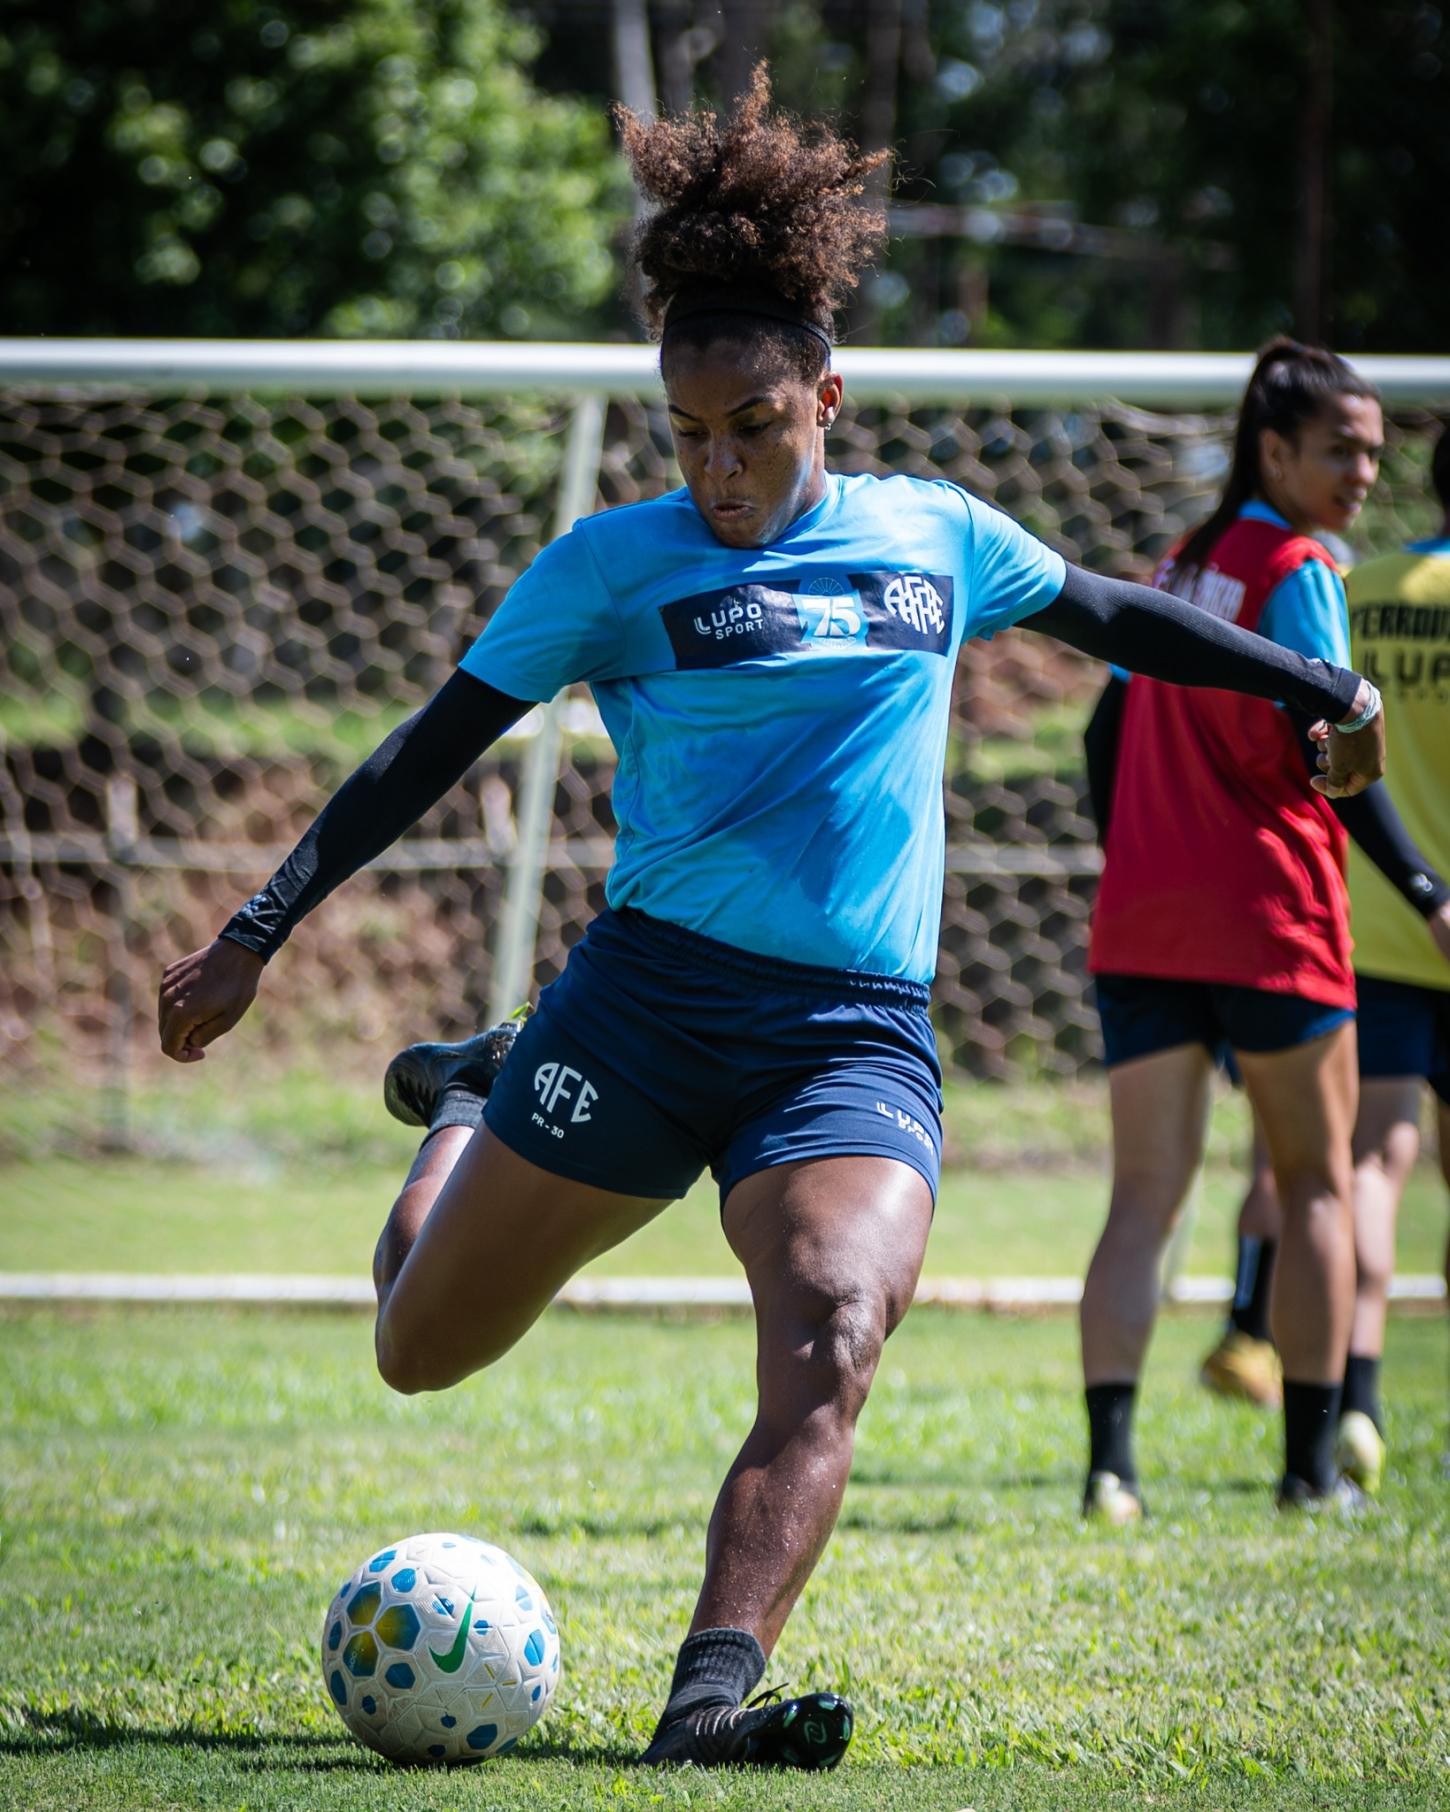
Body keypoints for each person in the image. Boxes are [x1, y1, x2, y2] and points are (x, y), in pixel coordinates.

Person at [158, 80, 1385, 1767]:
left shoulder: (936, 535)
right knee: (414, 1346)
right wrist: (257, 928)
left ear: (828, 395)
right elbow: (423, 753)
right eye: (688, 435)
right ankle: (469, 1097)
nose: (719, 467)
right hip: (642, 1013)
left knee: (834, 1324)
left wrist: (1321, 683)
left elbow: (1117, 616)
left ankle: (703, 1707)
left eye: (753, 424)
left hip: (849, 1039)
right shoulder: (611, 567)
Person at [1077, 338, 1445, 1522]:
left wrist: (1137, 846)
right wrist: (1426, 891)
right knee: (1316, 1184)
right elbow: (1340, 752)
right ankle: (1307, 1472)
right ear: (1273, 451)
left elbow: (1099, 734)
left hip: (1143, 922)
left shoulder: (1179, 564)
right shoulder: (1299, 568)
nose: (1362, 473)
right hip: (1271, 920)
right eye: (1340, 450)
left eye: (1374, 453)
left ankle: (1110, 1471)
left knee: (1143, 1195)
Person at [1193, 424, 1450, 1490]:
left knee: (1368, 1166)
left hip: (1368, 925)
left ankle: (1361, 1402)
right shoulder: (1306, 569)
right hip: (1395, 912)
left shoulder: (1356, 584)